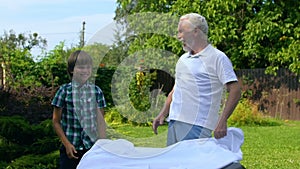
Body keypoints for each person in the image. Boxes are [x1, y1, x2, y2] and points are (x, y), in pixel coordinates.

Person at [152, 13, 241, 146]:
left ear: (195, 31)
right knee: (174, 165)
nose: (178, 36)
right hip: (174, 122)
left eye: (181, 31)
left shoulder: (217, 57)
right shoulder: (183, 59)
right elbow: (176, 90)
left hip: (197, 125)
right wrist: (163, 114)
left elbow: (235, 90)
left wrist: (222, 120)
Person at [52, 50, 107, 169]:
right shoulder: (64, 91)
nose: (85, 71)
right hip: (71, 149)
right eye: (81, 68)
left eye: (88, 67)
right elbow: (56, 121)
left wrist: (102, 145)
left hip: (91, 149)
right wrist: (66, 144)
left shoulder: (96, 91)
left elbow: (101, 122)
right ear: (72, 70)